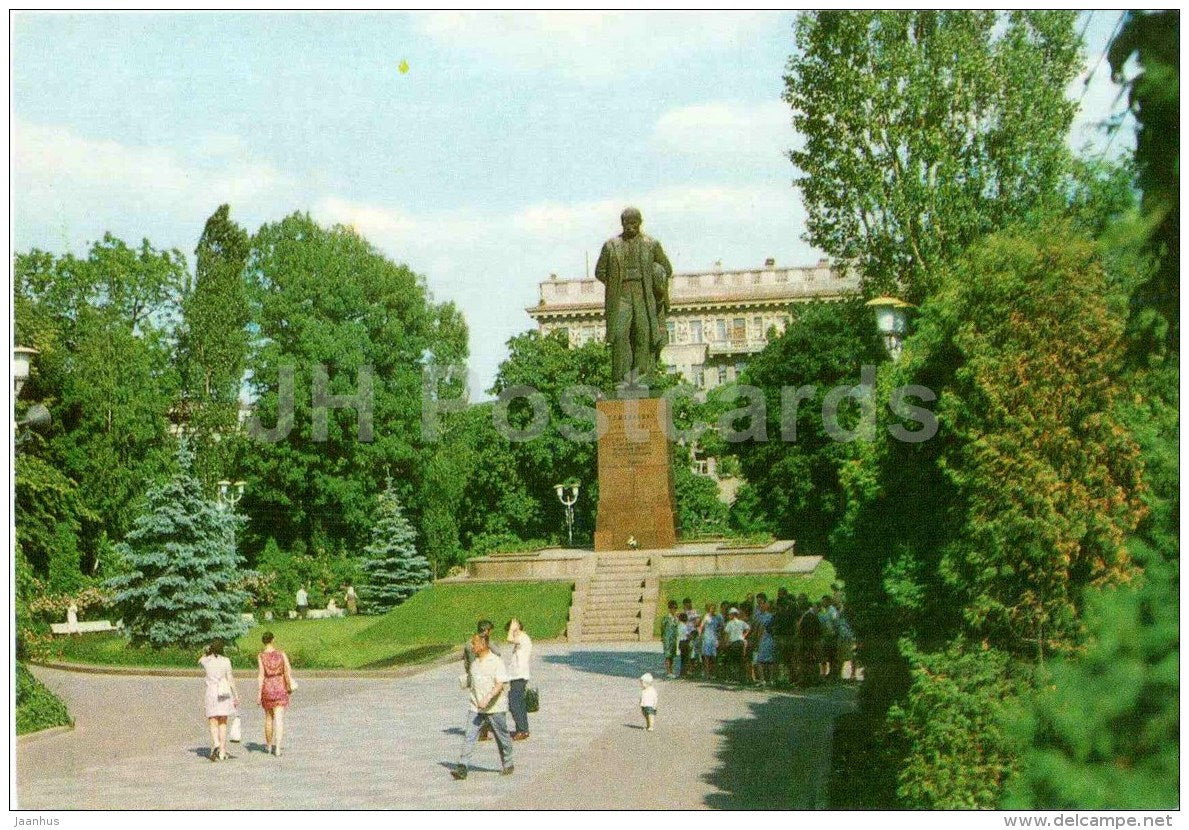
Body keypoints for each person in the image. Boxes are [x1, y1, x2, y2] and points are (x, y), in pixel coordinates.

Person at [594, 207, 673, 386]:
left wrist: (656, 275)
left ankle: (641, 378)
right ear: (622, 223)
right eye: (627, 223)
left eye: (634, 223)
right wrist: (614, 282)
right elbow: (600, 271)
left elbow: (666, 268)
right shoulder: (611, 245)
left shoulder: (651, 244)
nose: (630, 227)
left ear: (640, 223)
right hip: (620, 295)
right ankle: (621, 380)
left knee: (642, 334)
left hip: (643, 294)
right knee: (620, 334)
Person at [452, 635, 514, 780]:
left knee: (501, 736)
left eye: (474, 644)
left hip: (494, 708)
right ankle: (462, 766)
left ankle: (508, 762)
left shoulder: (496, 662)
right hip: (476, 707)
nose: (472, 647)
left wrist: (487, 698)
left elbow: (500, 684)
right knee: (469, 735)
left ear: (483, 645)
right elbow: (472, 681)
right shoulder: (474, 663)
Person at [200, 638, 239, 762]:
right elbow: (230, 678)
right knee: (223, 721)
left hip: (211, 692)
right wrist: (236, 695)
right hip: (224, 692)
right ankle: (222, 751)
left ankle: (216, 743)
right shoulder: (226, 661)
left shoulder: (206, 661)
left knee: (213, 720)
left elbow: (199, 660)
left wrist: (207, 652)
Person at [257, 631, 294, 756]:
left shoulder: (261, 656)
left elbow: (261, 675)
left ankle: (268, 746)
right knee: (279, 718)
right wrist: (289, 685)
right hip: (280, 685)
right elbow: (288, 671)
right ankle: (277, 748)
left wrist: (259, 693)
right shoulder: (281, 654)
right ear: (273, 640)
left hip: (267, 686)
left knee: (268, 717)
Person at [463, 620, 501, 741]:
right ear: (486, 630)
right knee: (487, 704)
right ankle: (483, 730)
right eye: (490, 631)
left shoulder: (469, 643)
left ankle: (482, 730)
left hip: (474, 677)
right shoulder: (485, 643)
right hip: (485, 677)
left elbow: (466, 662)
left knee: (477, 703)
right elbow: (498, 653)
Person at [505, 618, 533, 741]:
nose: (511, 632)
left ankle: (522, 729)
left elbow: (509, 639)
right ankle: (522, 729)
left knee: (514, 703)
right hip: (516, 676)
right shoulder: (522, 638)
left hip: (519, 676)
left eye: (512, 630)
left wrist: (513, 628)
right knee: (519, 704)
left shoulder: (523, 637)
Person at [751, 594, 776, 686]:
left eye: (761, 603)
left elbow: (761, 628)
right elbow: (755, 626)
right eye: (758, 603)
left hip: (767, 639)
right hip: (762, 639)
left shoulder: (770, 616)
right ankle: (763, 679)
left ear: (766, 604)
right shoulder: (757, 615)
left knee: (767, 660)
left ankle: (769, 680)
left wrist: (758, 638)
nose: (759, 605)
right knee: (760, 660)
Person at [722, 608, 751, 683]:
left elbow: (726, 634)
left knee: (733, 661)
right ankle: (742, 678)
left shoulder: (729, 623)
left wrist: (726, 643)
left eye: (730, 614)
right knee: (741, 660)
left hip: (733, 643)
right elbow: (748, 628)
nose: (729, 616)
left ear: (732, 615)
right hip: (741, 642)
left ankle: (734, 678)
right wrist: (744, 635)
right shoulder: (741, 622)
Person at [699, 602, 720, 678]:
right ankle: (707, 672)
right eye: (712, 608)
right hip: (707, 637)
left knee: (713, 656)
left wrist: (718, 635)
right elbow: (701, 627)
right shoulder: (706, 617)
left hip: (713, 637)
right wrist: (700, 636)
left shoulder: (717, 617)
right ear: (709, 609)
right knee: (707, 656)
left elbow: (719, 627)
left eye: (714, 608)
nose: (713, 609)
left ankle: (712, 672)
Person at [661, 600, 681, 678]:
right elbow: (662, 628)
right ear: (670, 608)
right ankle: (668, 672)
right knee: (668, 655)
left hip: (673, 639)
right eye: (673, 608)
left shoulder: (676, 618)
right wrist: (663, 637)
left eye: (676, 608)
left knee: (672, 655)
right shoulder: (666, 618)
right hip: (667, 639)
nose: (675, 609)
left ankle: (671, 671)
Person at [679, 598, 698, 677]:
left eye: (689, 603)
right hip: (686, 636)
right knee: (687, 655)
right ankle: (686, 671)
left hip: (692, 633)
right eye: (686, 603)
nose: (687, 605)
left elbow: (697, 621)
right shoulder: (682, 613)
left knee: (691, 653)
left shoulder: (694, 612)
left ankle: (689, 670)